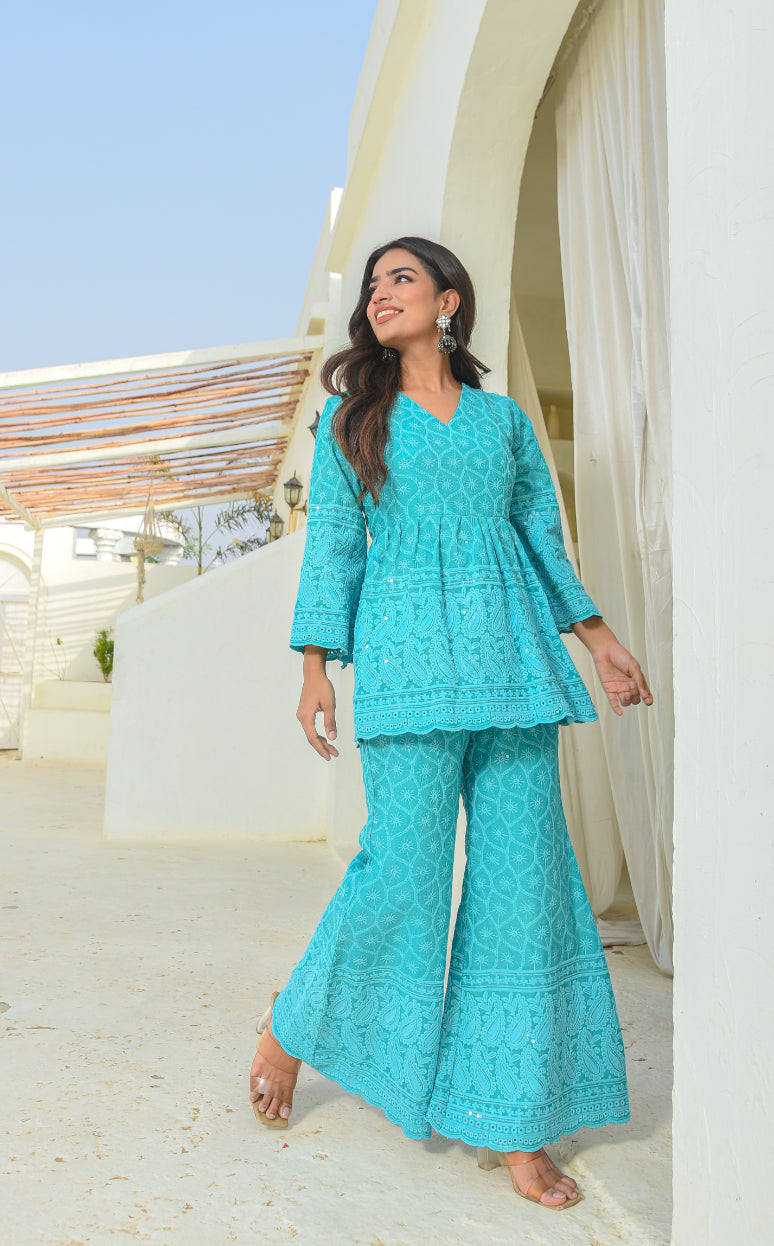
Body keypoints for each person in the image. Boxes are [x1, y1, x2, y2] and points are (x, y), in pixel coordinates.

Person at [249, 236, 652, 1212]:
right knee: (402, 872)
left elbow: (538, 541)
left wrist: (596, 639)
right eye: (374, 284)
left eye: (402, 278)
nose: (382, 294)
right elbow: (336, 549)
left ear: (449, 301)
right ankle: (290, 1028)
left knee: (525, 890)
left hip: (514, 667)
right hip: (407, 671)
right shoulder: (353, 421)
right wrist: (315, 670)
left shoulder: (503, 423)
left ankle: (514, 1122)